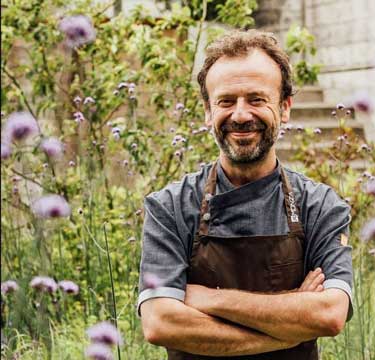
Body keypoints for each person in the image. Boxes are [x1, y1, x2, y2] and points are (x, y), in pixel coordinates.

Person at [138, 29, 353, 359]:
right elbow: (161, 323)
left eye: (256, 99)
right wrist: (288, 329)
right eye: (226, 101)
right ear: (208, 111)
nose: (240, 115)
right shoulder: (170, 207)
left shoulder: (321, 206)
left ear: (285, 108)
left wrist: (207, 298)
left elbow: (328, 315)